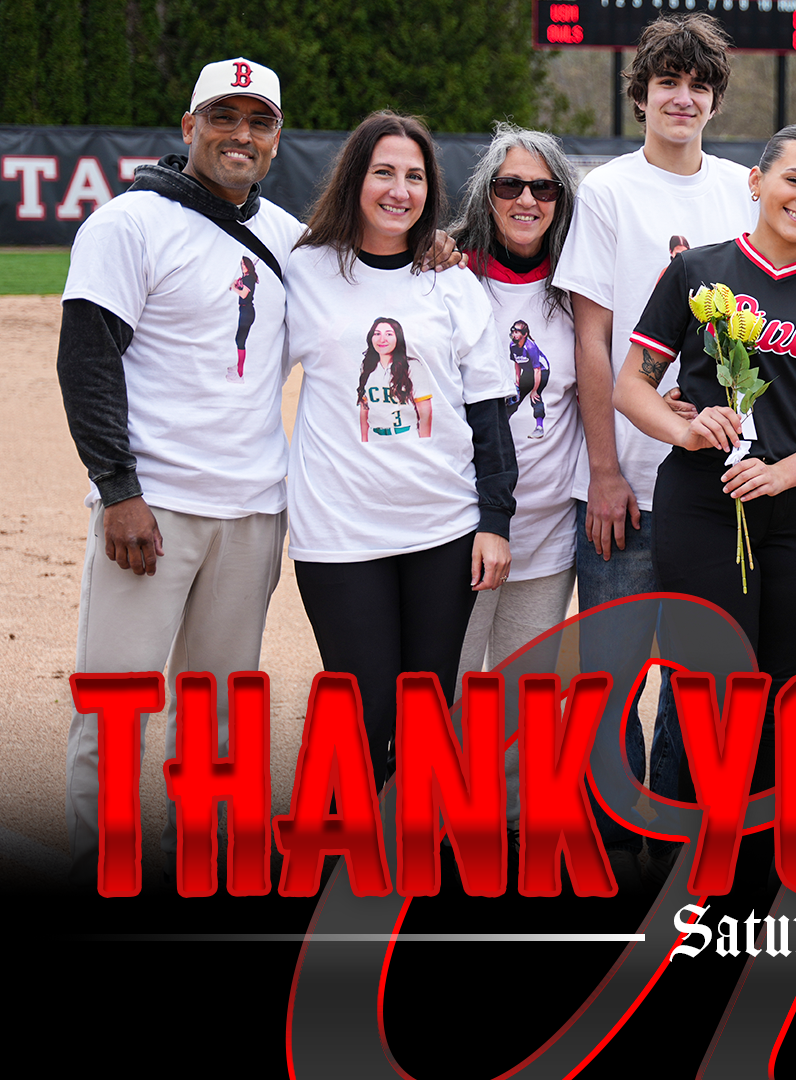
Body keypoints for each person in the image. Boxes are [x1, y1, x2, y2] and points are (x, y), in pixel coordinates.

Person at [57, 58, 300, 890]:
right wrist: (118, 490)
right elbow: (86, 362)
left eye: (258, 121)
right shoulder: (128, 224)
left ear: (275, 139)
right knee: (118, 706)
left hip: (253, 512)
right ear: (189, 126)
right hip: (152, 509)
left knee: (220, 714)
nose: (241, 135)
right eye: (223, 117)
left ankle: (203, 872)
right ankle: (108, 871)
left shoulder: (287, 237)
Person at [613, 124, 796, 804]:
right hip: (705, 504)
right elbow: (630, 387)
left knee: (782, 691)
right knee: (714, 690)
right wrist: (684, 435)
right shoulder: (697, 271)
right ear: (756, 181)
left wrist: (783, 473)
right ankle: (708, 855)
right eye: (794, 180)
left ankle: (764, 862)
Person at [552, 13, 754, 804]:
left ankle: (670, 824)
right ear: (641, 95)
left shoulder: (743, 188)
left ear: (715, 100)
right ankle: (614, 829)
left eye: (698, 84)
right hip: (627, 483)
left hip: (713, 479)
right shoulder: (607, 191)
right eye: (668, 82)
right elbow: (592, 340)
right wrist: (604, 472)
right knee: (610, 674)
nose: (683, 97)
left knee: (699, 678)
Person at [284, 111, 515, 789]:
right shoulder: (306, 270)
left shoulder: (451, 282)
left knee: (425, 719)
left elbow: (489, 413)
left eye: (414, 176)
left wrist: (494, 522)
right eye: (384, 171)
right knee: (362, 714)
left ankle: (411, 868)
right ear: (356, 178)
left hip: (440, 531)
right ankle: (345, 869)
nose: (399, 189)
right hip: (339, 534)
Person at [451, 124, 583, 696]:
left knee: (521, 705)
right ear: (488, 195)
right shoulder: (448, 274)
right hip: (460, 529)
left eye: (543, 188)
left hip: (547, 534)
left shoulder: (580, 287)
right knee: (445, 696)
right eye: (510, 186)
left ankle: (508, 793)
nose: (526, 200)